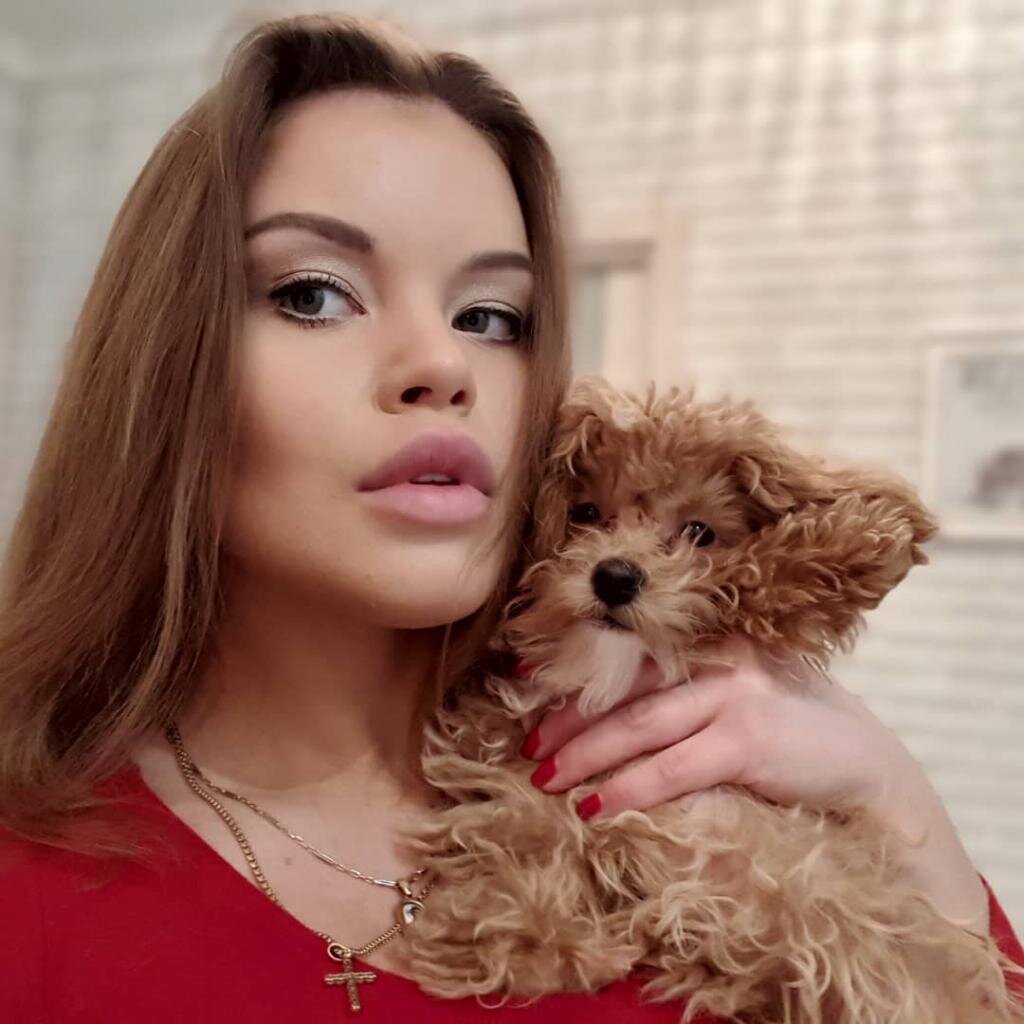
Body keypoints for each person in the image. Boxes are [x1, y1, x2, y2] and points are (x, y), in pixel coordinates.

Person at [0, 12, 1020, 1022]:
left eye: (490, 317)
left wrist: (894, 798)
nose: (442, 364)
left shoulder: (737, 796)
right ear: (160, 367)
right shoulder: (30, 886)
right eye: (314, 294)